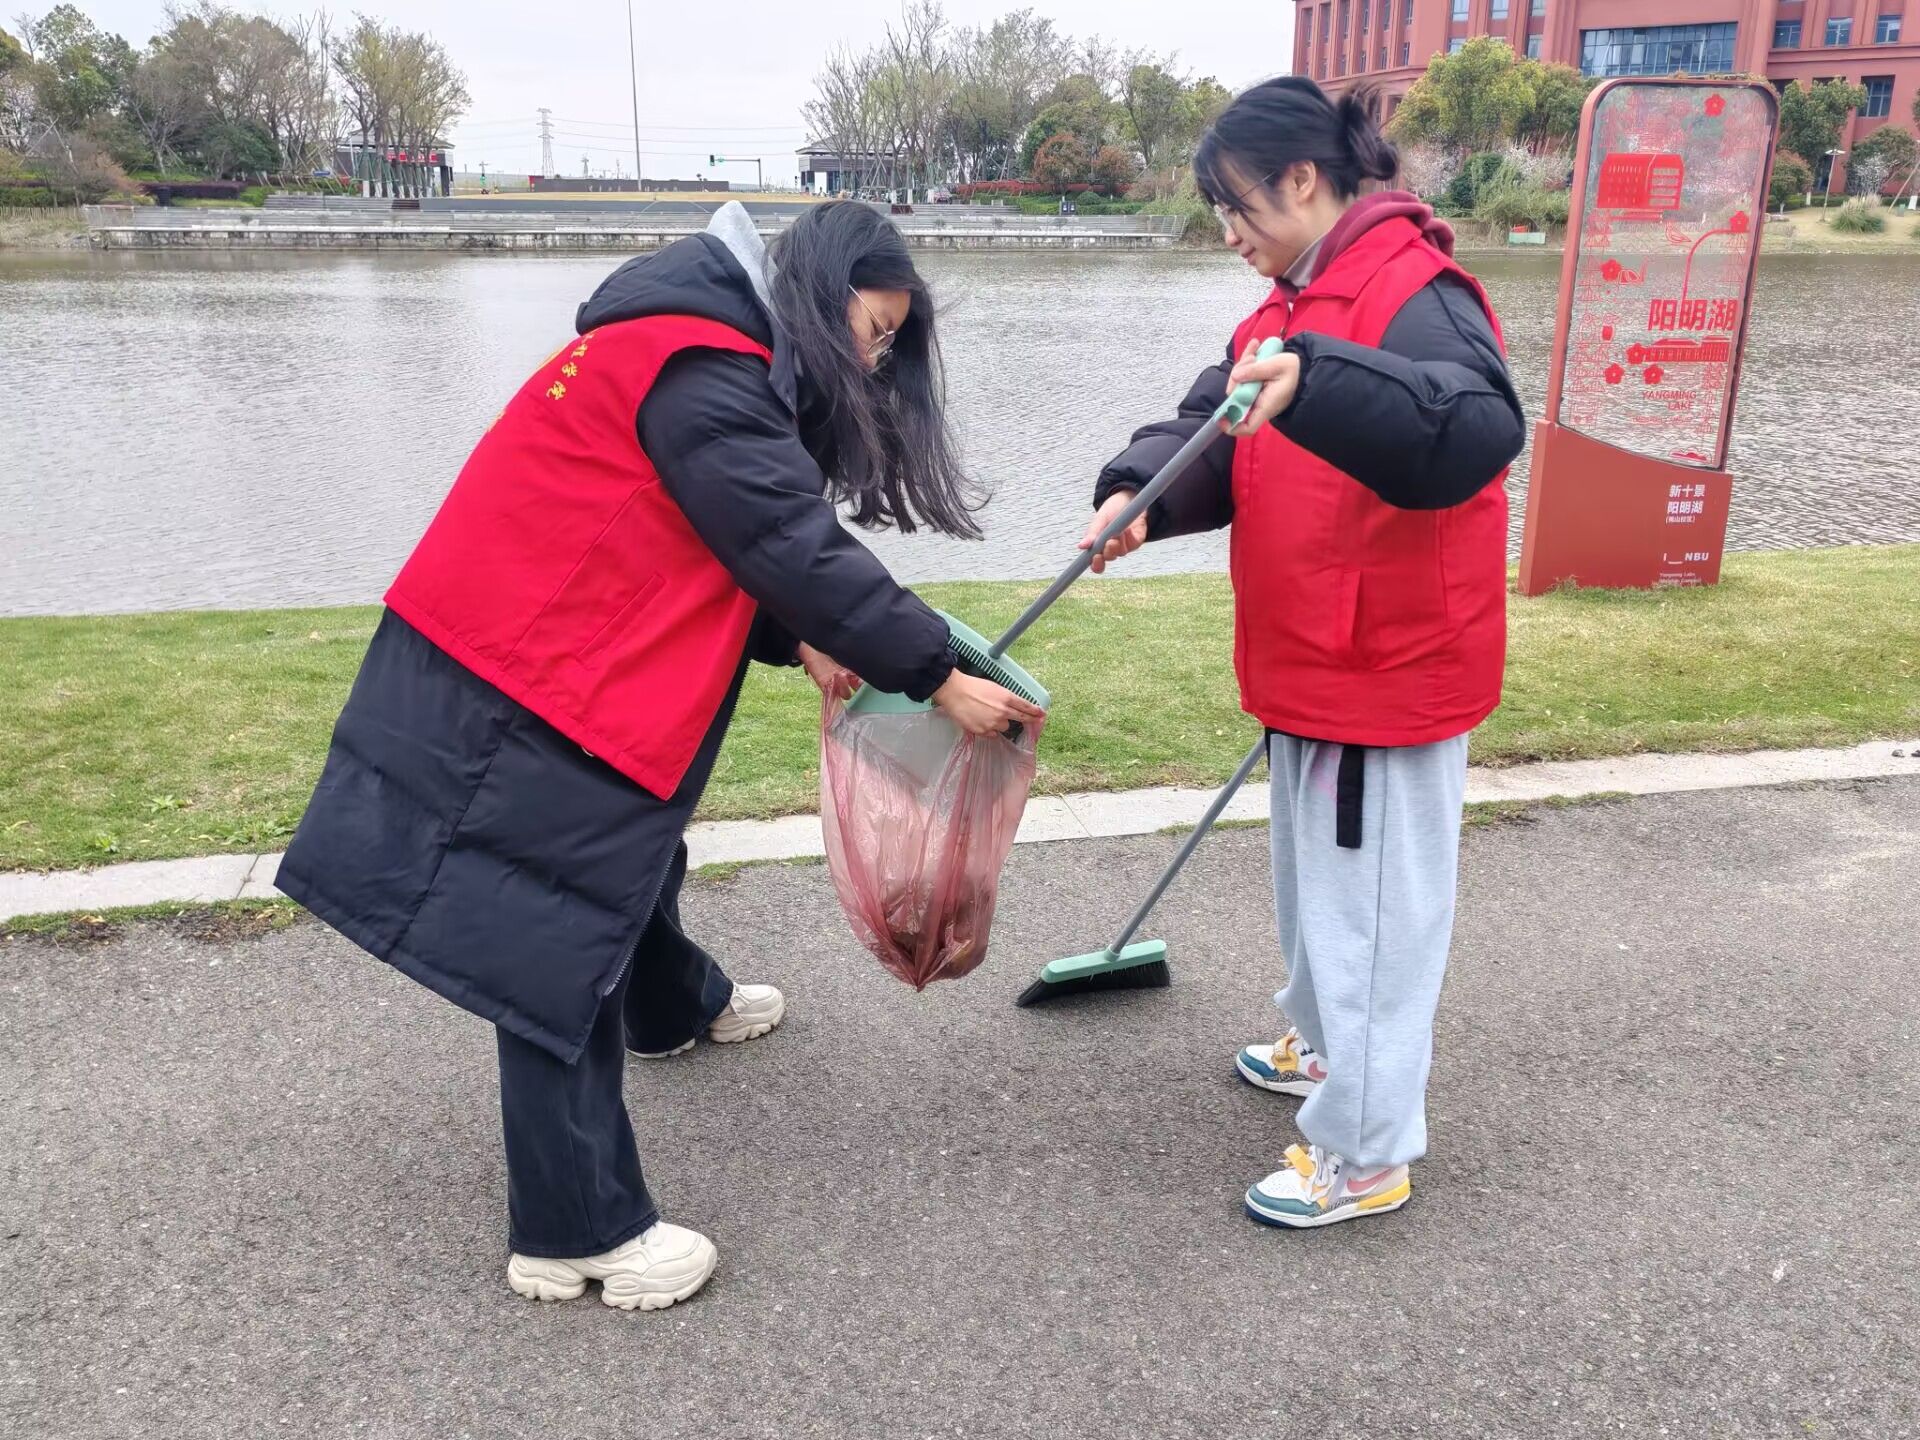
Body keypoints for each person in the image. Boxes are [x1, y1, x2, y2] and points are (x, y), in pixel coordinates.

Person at [277, 200, 1044, 1309]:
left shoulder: (698, 340)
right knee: (552, 932)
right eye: (875, 333)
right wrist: (934, 672)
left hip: (550, 648)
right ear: (821, 290)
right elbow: (787, 539)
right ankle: (576, 1231)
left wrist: (801, 635)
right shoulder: (703, 364)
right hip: (519, 673)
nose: (876, 365)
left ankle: (671, 1004)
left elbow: (720, 537)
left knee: (626, 860)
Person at [1081, 79, 1525, 1229]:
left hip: (1386, 668)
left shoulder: (1415, 288)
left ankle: (1367, 1152)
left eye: (1236, 206)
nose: (1227, 231)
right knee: (1317, 894)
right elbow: (1212, 424)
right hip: (1311, 659)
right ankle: (1325, 1047)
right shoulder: (1288, 302)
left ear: (1302, 179)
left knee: (1372, 920)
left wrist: (1318, 379)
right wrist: (1138, 494)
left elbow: (1477, 427)